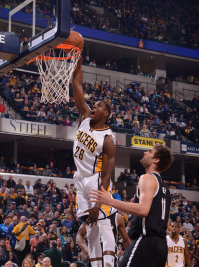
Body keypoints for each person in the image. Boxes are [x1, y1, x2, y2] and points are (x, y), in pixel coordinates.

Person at [89, 144, 174, 267]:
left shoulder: (147, 178)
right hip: (161, 246)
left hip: (146, 241)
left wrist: (109, 201)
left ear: (156, 160)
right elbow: (167, 222)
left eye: (150, 151)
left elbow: (144, 210)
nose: (145, 152)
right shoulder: (165, 187)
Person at [72, 57, 116, 267]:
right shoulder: (85, 117)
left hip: (95, 179)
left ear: (105, 114)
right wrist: (78, 60)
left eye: (98, 106)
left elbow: (107, 174)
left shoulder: (107, 138)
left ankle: (109, 263)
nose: (93, 107)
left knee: (103, 220)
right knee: (89, 224)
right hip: (79, 178)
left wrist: (99, 201)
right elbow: (77, 85)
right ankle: (96, 264)